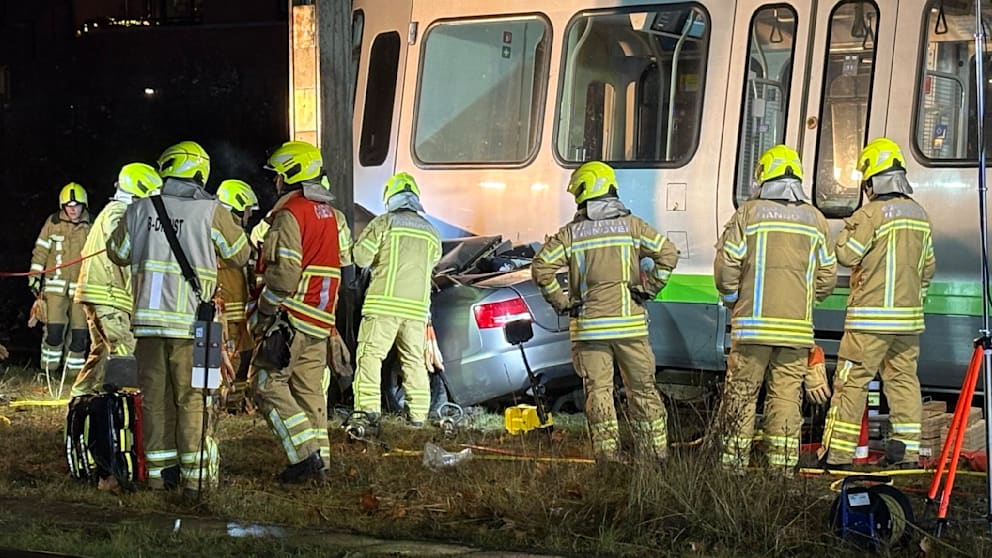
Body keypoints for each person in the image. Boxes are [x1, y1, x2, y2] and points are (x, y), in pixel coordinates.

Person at [108, 140, 250, 496]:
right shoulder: (211, 210)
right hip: (193, 327)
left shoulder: (139, 210)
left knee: (155, 400)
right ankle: (193, 481)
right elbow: (240, 254)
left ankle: (158, 477)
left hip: (148, 325)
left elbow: (117, 252)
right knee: (193, 399)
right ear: (199, 172)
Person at [531, 161, 679, 463]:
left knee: (598, 392)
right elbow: (668, 254)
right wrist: (650, 289)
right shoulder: (633, 226)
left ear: (586, 193)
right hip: (630, 328)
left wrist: (560, 301)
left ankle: (608, 457)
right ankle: (655, 456)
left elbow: (541, 268)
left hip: (590, 330)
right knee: (642, 390)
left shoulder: (572, 234)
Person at [713, 144, 837, 475]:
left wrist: (731, 297)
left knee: (741, 394)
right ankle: (781, 471)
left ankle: (732, 468)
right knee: (785, 398)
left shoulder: (748, 215)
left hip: (752, 328)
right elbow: (827, 276)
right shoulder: (816, 220)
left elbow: (727, 268)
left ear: (763, 177)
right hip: (796, 330)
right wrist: (807, 300)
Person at [821, 138, 935, 469]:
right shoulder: (919, 215)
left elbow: (846, 254)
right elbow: (927, 267)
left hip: (870, 321)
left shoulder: (870, 214)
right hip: (908, 322)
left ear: (872, 179)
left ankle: (839, 455)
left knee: (852, 381)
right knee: (903, 381)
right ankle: (906, 452)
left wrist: (845, 232)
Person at [251, 140, 354, 482]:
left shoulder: (291, 213)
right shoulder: (328, 214)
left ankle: (303, 458)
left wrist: (264, 311)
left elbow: (284, 276)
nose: (275, 182)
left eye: (278, 175)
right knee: (310, 393)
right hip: (319, 320)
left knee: (267, 383)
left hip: (291, 316)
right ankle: (320, 466)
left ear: (290, 174)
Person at [350, 172, 441, 433]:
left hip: (382, 306)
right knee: (413, 362)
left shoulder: (384, 223)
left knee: (370, 357)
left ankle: (367, 414)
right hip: (416, 311)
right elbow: (432, 263)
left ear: (390, 199)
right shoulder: (432, 232)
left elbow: (361, 258)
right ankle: (418, 418)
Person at [70, 164, 161, 397]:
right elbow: (123, 250)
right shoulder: (119, 213)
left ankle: (80, 397)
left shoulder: (115, 211)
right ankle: (127, 406)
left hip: (102, 293)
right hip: (107, 294)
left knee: (101, 353)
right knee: (125, 350)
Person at [30, 182, 92, 396]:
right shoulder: (52, 223)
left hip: (81, 291)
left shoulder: (91, 226)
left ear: (84, 205)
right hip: (54, 288)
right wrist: (34, 276)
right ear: (62, 206)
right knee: (54, 332)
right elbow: (40, 251)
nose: (72, 209)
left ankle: (73, 377)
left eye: (76, 205)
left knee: (79, 334)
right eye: (68, 205)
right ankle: (48, 373)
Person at [214, 179, 260, 410]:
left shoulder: (233, 232)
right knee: (230, 363)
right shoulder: (224, 232)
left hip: (238, 314)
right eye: (248, 210)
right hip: (227, 315)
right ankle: (225, 409)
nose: (250, 215)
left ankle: (235, 408)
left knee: (242, 360)